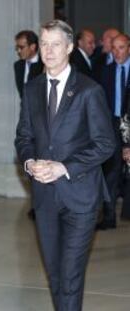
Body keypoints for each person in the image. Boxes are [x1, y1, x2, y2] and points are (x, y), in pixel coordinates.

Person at [15, 20, 115, 310]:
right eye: (44, 44)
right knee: (56, 276)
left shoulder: (88, 90)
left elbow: (105, 144)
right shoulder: (32, 89)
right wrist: (30, 160)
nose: (48, 50)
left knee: (70, 276)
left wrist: (63, 167)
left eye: (55, 44)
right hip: (45, 197)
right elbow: (24, 136)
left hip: (80, 196)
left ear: (69, 48)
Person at [98, 34, 130, 229]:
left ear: (129, 48)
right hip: (111, 126)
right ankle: (109, 217)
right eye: (114, 48)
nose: (117, 52)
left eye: (121, 47)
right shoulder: (106, 71)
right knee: (111, 171)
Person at [14, 30, 44, 98]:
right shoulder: (18, 65)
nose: (18, 51)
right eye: (17, 48)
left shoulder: (45, 64)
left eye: (21, 47)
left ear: (32, 47)